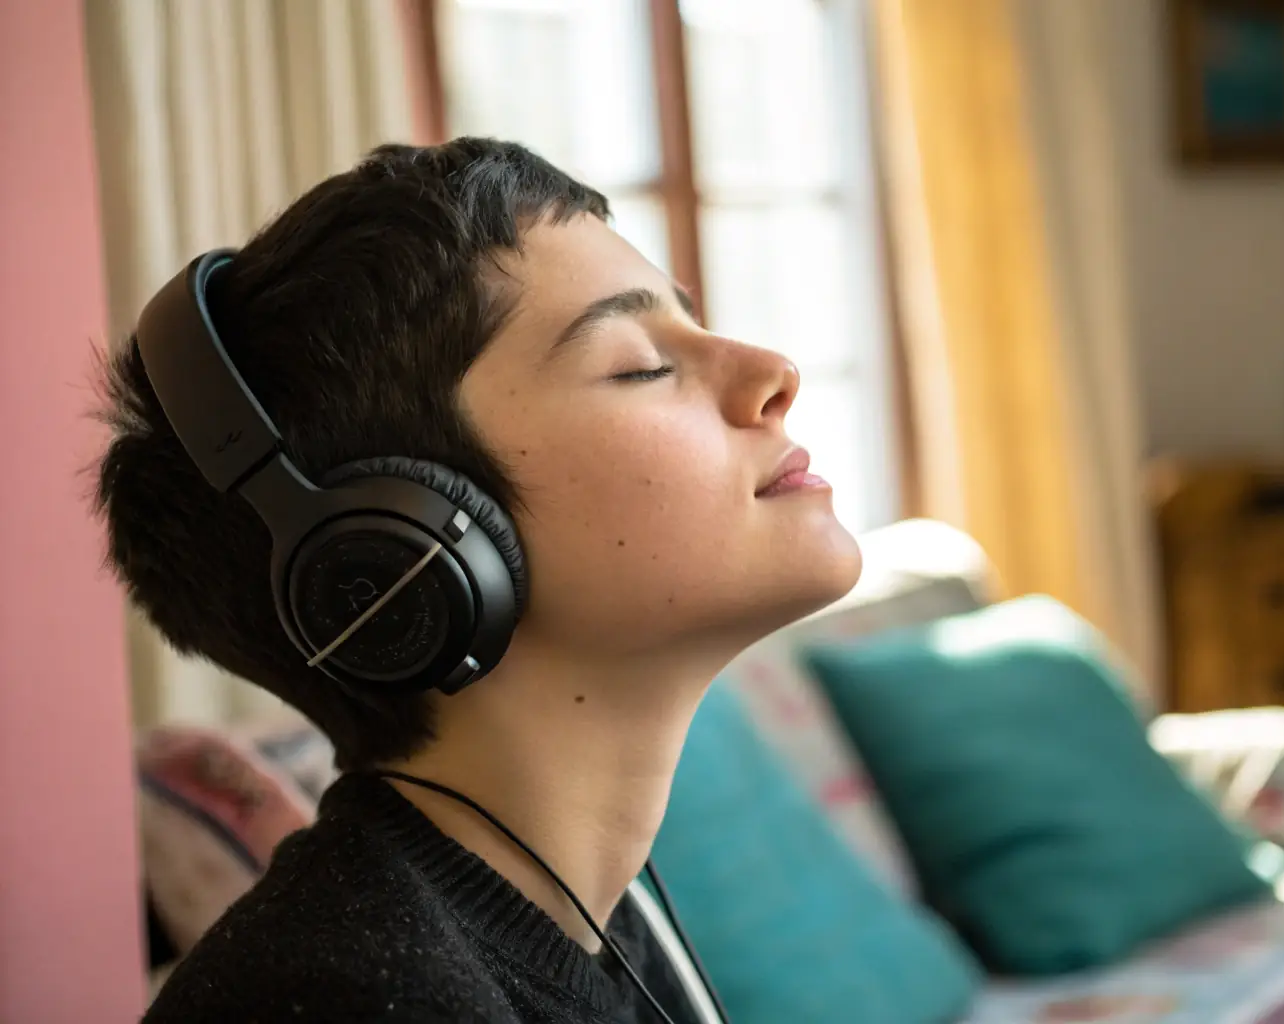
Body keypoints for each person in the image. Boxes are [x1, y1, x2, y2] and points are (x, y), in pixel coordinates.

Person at [97, 137, 862, 1023]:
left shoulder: (600, 924)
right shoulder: (343, 998)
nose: (775, 374)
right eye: (639, 364)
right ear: (403, 555)